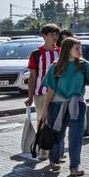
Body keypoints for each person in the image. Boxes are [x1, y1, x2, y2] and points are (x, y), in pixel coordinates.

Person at [38, 37, 89, 176]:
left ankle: (75, 166)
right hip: (57, 105)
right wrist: (45, 109)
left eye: (80, 48)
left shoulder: (84, 65)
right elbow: (51, 90)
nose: (80, 51)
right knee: (57, 136)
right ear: (67, 50)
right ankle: (54, 160)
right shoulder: (55, 66)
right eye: (76, 48)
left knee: (76, 136)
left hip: (77, 104)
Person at [25, 24, 61, 160]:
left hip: (59, 93)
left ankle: (57, 150)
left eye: (56, 34)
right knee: (42, 121)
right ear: (44, 36)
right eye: (52, 34)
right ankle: (43, 149)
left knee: (58, 122)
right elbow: (32, 77)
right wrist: (29, 97)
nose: (55, 37)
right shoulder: (36, 54)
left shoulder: (61, 52)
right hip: (41, 93)